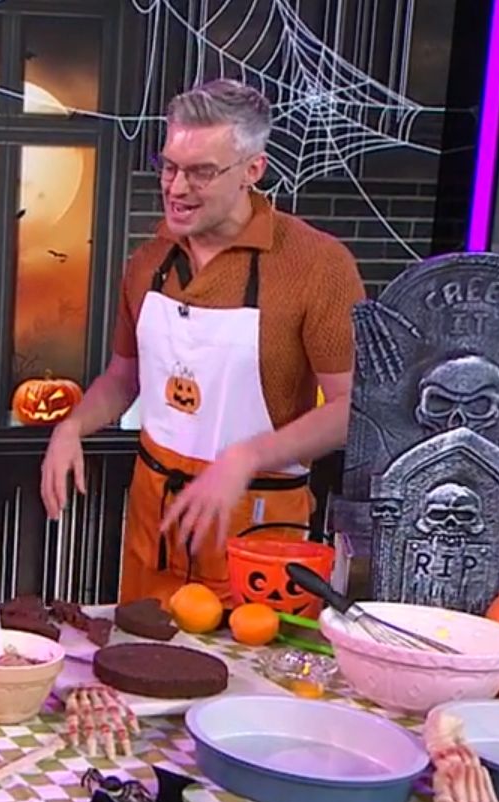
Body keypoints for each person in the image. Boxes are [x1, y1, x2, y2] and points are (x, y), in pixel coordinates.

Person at [39, 79, 363, 604]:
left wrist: (245, 458)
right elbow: (124, 377)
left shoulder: (316, 265)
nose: (176, 187)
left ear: (252, 170)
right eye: (169, 167)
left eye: (201, 172)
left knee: (246, 654)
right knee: (142, 649)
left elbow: (350, 409)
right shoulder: (149, 261)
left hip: (256, 530)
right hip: (156, 519)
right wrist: (71, 426)